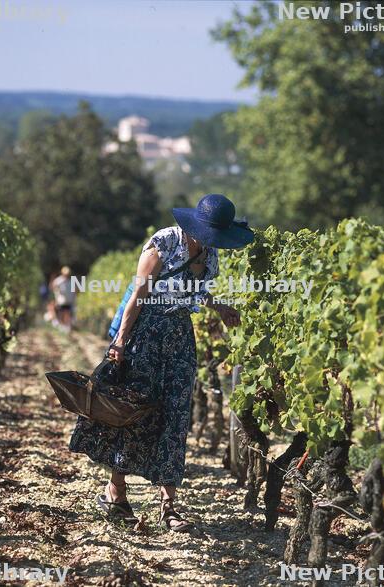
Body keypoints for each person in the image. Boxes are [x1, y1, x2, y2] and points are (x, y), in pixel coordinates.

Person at [69, 193, 254, 532]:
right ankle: (117, 491)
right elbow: (139, 295)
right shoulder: (165, 242)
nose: (213, 242)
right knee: (133, 410)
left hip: (180, 338)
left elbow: (192, 292)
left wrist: (219, 306)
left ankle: (169, 506)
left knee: (175, 414)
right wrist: (121, 340)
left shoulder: (210, 252)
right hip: (146, 333)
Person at [51, 266, 76, 331]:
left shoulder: (71, 282)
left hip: (69, 301)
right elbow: (54, 288)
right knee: (61, 313)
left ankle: (66, 326)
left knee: (67, 313)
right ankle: (61, 325)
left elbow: (74, 291)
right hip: (61, 301)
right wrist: (56, 297)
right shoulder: (58, 281)